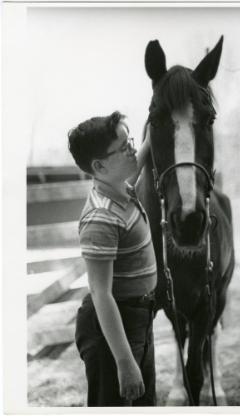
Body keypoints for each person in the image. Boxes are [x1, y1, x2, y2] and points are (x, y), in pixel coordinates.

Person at [68, 111, 157, 406]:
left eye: (129, 139)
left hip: (138, 319)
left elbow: (138, 160)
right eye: (123, 147)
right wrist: (124, 361)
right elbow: (101, 293)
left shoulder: (121, 189)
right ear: (99, 166)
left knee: (144, 403)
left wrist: (154, 126)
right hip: (112, 329)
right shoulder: (101, 217)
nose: (131, 148)